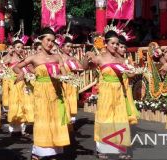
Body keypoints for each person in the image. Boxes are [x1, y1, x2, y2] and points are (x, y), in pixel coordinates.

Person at [13, 27, 70, 160]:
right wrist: (22, 73)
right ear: (41, 40)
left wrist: (61, 77)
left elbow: (64, 74)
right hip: (41, 92)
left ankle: (54, 150)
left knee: (55, 120)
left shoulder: (57, 57)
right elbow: (16, 67)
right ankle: (39, 152)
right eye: (48, 40)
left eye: (53, 41)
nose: (50, 43)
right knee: (42, 120)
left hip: (56, 91)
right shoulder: (33, 58)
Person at [83, 30, 131, 160]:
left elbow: (129, 74)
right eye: (113, 43)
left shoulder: (120, 59)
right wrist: (87, 56)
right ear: (106, 43)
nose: (115, 46)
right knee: (105, 118)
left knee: (120, 118)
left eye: (117, 44)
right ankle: (102, 149)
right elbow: (85, 67)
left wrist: (134, 71)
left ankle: (121, 148)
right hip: (105, 92)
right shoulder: (100, 58)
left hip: (118, 92)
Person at [59, 35, 83, 125]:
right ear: (62, 47)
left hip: (72, 83)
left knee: (72, 101)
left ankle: (72, 123)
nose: (70, 49)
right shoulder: (58, 58)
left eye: (71, 47)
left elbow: (81, 68)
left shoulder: (73, 59)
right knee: (64, 102)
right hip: (62, 83)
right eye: (67, 46)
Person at [117, 35, 140, 125]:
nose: (123, 49)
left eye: (124, 47)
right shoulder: (113, 60)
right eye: (121, 47)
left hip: (127, 86)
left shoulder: (127, 60)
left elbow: (131, 74)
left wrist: (133, 71)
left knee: (127, 111)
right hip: (118, 86)